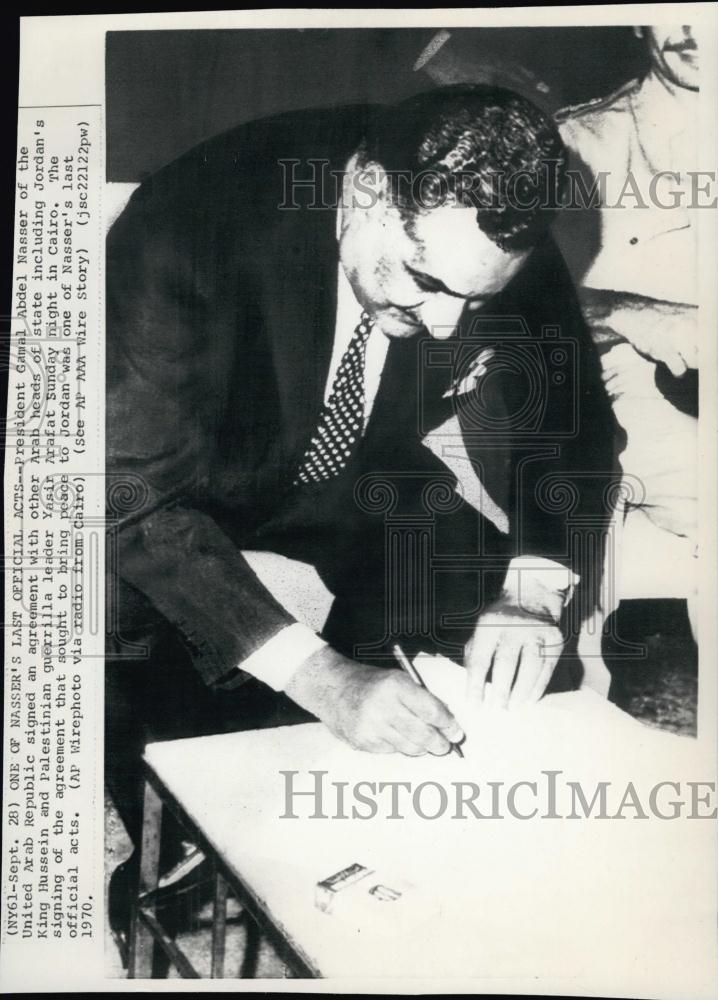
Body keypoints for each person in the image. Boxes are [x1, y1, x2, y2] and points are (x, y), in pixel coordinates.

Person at [105, 85, 613, 955]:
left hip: (355, 470)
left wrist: (530, 591)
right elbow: (128, 496)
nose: (448, 320)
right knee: (202, 766)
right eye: (423, 281)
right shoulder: (189, 223)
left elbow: (574, 423)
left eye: (474, 300)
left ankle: (386, 826)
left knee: (498, 630)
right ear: (370, 193)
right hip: (179, 480)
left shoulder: (484, 224)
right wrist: (326, 680)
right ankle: (193, 846)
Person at [555, 24, 699, 564]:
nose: (691, 28)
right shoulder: (574, 146)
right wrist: (625, 311)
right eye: (669, 9)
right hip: (632, 397)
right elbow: (500, 309)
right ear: (638, 20)